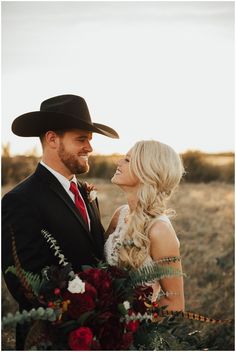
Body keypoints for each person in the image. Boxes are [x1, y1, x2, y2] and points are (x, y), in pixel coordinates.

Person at [2, 94, 119, 349]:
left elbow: (93, 254)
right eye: (81, 139)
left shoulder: (86, 194)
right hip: (50, 339)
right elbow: (24, 283)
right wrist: (79, 314)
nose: (89, 147)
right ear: (52, 139)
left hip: (97, 335)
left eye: (90, 140)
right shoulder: (21, 200)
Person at [105, 140, 185, 312]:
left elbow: (175, 303)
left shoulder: (159, 231)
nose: (118, 162)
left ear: (146, 172)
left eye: (127, 160)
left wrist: (132, 321)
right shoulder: (120, 214)